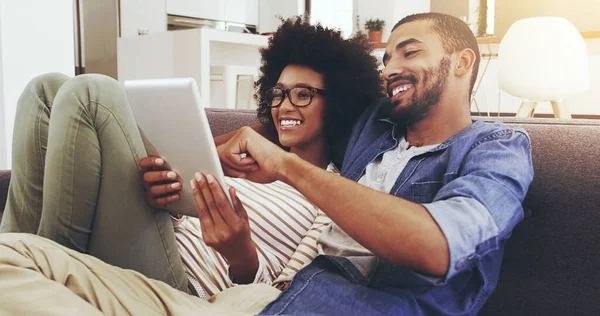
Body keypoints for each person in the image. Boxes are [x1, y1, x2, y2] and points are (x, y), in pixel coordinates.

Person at [0, 12, 533, 316]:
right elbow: (284, 121)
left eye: (409, 53)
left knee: (93, 95)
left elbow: (439, 247)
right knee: (7, 254)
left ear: (463, 62)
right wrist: (222, 147)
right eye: (386, 57)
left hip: (270, 301)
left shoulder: (496, 149)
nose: (390, 68)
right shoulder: (377, 130)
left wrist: (284, 167)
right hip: (260, 298)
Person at [0, 16, 382, 303]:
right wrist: (164, 191)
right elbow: (179, 207)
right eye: (278, 94)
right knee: (45, 89)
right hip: (144, 242)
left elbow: (289, 291)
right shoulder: (243, 154)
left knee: (93, 94)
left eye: (303, 94)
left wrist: (240, 251)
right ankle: (22, 263)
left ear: (338, 103)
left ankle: (38, 269)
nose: (284, 106)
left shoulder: (331, 194)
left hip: (184, 287)